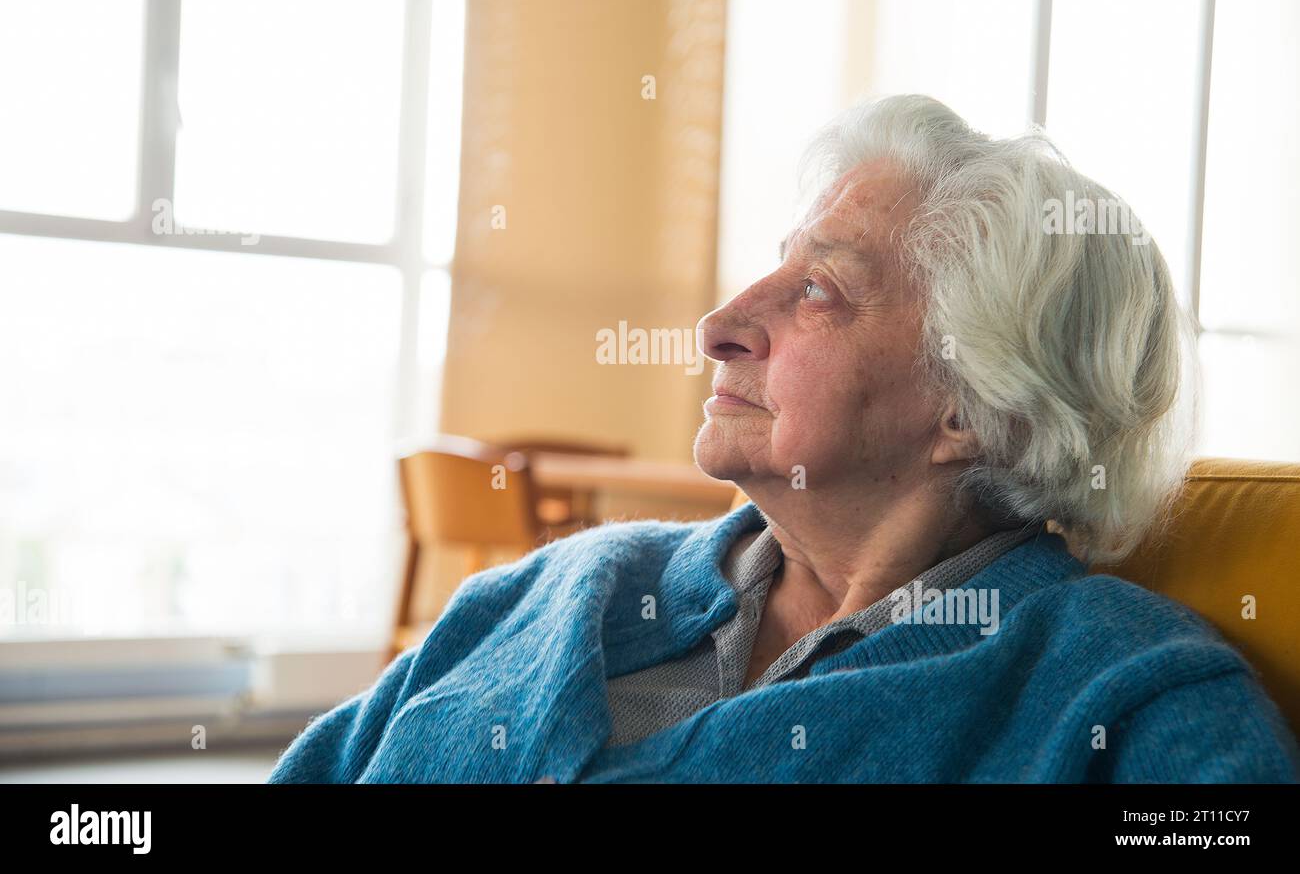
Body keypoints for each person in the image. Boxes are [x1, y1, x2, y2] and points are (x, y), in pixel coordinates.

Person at [269, 95, 1299, 783]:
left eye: (818, 289)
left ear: (980, 406)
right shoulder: (555, 588)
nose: (719, 323)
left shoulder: (1123, 694)